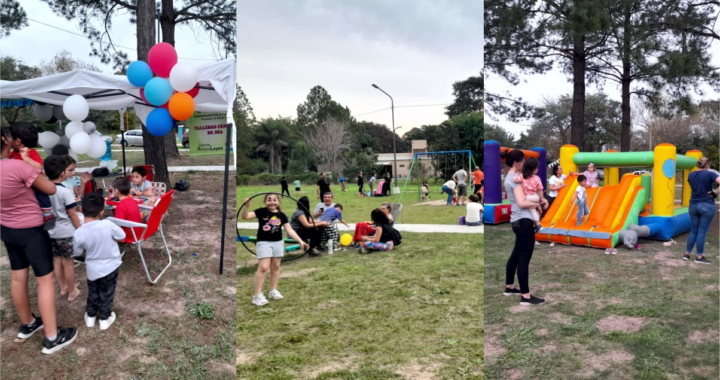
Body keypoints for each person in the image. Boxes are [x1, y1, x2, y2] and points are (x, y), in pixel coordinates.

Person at [0, 127, 78, 354]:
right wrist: (28, 164)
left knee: (18, 275)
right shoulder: (19, 166)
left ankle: (28, 323)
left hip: (6, 229)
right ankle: (52, 337)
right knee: (44, 281)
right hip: (32, 232)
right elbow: (51, 188)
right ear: (5, 140)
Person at [241, 194, 309, 306]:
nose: (272, 202)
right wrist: (246, 206)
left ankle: (273, 291)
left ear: (278, 202)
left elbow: (290, 230)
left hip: (278, 242)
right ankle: (257, 296)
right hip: (264, 243)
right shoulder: (261, 211)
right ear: (265, 201)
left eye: (274, 200)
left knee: (276, 266)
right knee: (263, 267)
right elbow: (245, 217)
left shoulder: (281, 215)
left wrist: (300, 241)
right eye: (269, 200)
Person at [73, 193, 126, 330]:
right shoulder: (108, 224)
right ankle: (104, 318)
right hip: (111, 267)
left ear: (81, 210)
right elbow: (122, 236)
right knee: (107, 292)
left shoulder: (79, 232)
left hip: (93, 269)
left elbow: (77, 252)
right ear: (102, 212)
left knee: (93, 292)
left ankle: (90, 317)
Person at [503, 149, 547, 306]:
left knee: (516, 255)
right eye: (522, 161)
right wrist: (539, 203)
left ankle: (509, 287)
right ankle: (526, 296)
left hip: (516, 220)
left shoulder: (510, 178)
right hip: (524, 221)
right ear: (516, 163)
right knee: (524, 259)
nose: (524, 164)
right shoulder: (515, 181)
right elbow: (522, 203)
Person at [45, 155, 82, 302]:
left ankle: (63, 287)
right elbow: (72, 213)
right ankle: (72, 291)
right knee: (68, 264)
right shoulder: (64, 192)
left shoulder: (43, 190)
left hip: (51, 232)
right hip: (65, 232)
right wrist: (79, 229)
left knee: (57, 261)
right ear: (62, 173)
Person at [8, 122, 55, 229]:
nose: (10, 141)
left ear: (18, 141)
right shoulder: (13, 153)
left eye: (11, 138)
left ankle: (48, 214)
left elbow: (39, 167)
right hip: (23, 185)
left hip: (35, 183)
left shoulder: (31, 152)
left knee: (41, 194)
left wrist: (27, 159)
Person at [683, 157, 720, 264]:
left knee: (694, 230)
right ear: (707, 165)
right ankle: (699, 257)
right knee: (702, 232)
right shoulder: (710, 174)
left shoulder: (691, 175)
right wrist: (716, 192)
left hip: (693, 205)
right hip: (707, 205)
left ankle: (687, 254)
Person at [513, 158, 545, 233]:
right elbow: (540, 189)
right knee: (536, 210)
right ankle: (535, 224)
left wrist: (517, 174)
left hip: (528, 197)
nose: (537, 169)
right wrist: (542, 198)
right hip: (535, 196)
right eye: (537, 167)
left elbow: (515, 179)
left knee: (532, 210)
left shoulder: (522, 176)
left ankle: (537, 224)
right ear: (533, 169)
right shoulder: (537, 178)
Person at [112, 177, 144, 243]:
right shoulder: (133, 200)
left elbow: (118, 225)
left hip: (130, 235)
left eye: (112, 189)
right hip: (138, 230)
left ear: (116, 191)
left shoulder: (120, 206)